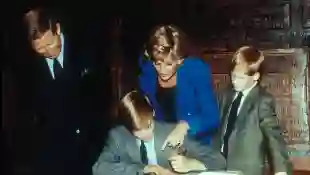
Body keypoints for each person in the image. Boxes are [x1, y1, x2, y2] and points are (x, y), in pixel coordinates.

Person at [22, 7, 104, 175]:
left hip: (90, 148)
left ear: (57, 29)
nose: (48, 52)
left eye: (50, 43)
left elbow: (101, 99)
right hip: (53, 152)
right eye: (40, 49)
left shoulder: (86, 51)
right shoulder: (26, 67)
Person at [93, 90, 226, 175]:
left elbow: (220, 161)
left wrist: (192, 164)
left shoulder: (172, 132)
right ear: (128, 127)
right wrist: (144, 170)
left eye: (149, 125)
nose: (146, 134)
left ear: (153, 113)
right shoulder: (118, 136)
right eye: (139, 131)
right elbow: (99, 168)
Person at [213, 46, 292, 175]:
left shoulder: (263, 101)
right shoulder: (225, 95)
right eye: (233, 76)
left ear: (255, 76)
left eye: (241, 78)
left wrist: (281, 171)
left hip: (246, 170)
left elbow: (273, 137)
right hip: (220, 168)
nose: (234, 82)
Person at [138, 25, 219, 147]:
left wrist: (186, 126)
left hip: (194, 142)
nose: (162, 70)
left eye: (169, 64)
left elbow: (212, 117)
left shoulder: (196, 70)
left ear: (180, 60)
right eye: (157, 63)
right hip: (161, 139)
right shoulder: (147, 69)